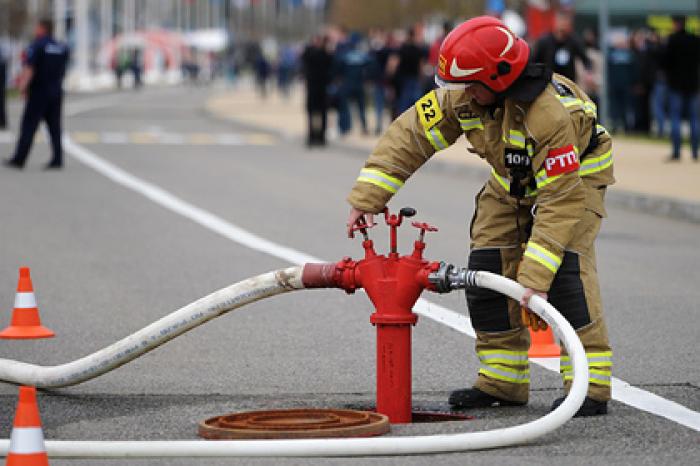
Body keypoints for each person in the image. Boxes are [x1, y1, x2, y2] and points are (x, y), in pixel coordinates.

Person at [345, 17, 614, 417]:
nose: (461, 94)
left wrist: (534, 280)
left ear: (499, 77)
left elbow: (560, 202)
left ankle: (590, 386)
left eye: (469, 85)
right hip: (511, 182)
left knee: (566, 277)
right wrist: (367, 198)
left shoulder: (550, 116)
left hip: (575, 184)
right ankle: (503, 381)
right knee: (487, 269)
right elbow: (411, 136)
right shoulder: (471, 95)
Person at [4, 19, 69, 170]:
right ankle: (57, 158)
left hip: (39, 92)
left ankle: (20, 158)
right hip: (56, 91)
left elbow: (29, 68)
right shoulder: (61, 47)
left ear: (42, 28)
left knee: (29, 125)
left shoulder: (37, 45)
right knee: (54, 126)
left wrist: (22, 87)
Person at [662, 16, 700, 161]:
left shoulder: (672, 40)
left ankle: (677, 152)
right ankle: (695, 152)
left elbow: (665, 62)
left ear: (676, 24)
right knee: (694, 119)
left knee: (675, 118)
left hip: (676, 84)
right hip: (693, 84)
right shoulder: (695, 40)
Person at [532, 11, 592, 84]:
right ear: (555, 22)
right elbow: (534, 61)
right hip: (548, 83)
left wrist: (588, 73)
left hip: (568, 82)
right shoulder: (544, 41)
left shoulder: (573, 41)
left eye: (566, 22)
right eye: (561, 21)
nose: (563, 25)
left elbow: (585, 59)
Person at [301, 35, 332, 147]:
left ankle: (321, 137)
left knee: (323, 113)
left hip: (322, 87)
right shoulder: (310, 52)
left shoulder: (326, 53)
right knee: (311, 113)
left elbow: (331, 65)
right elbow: (305, 60)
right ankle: (311, 136)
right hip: (312, 87)